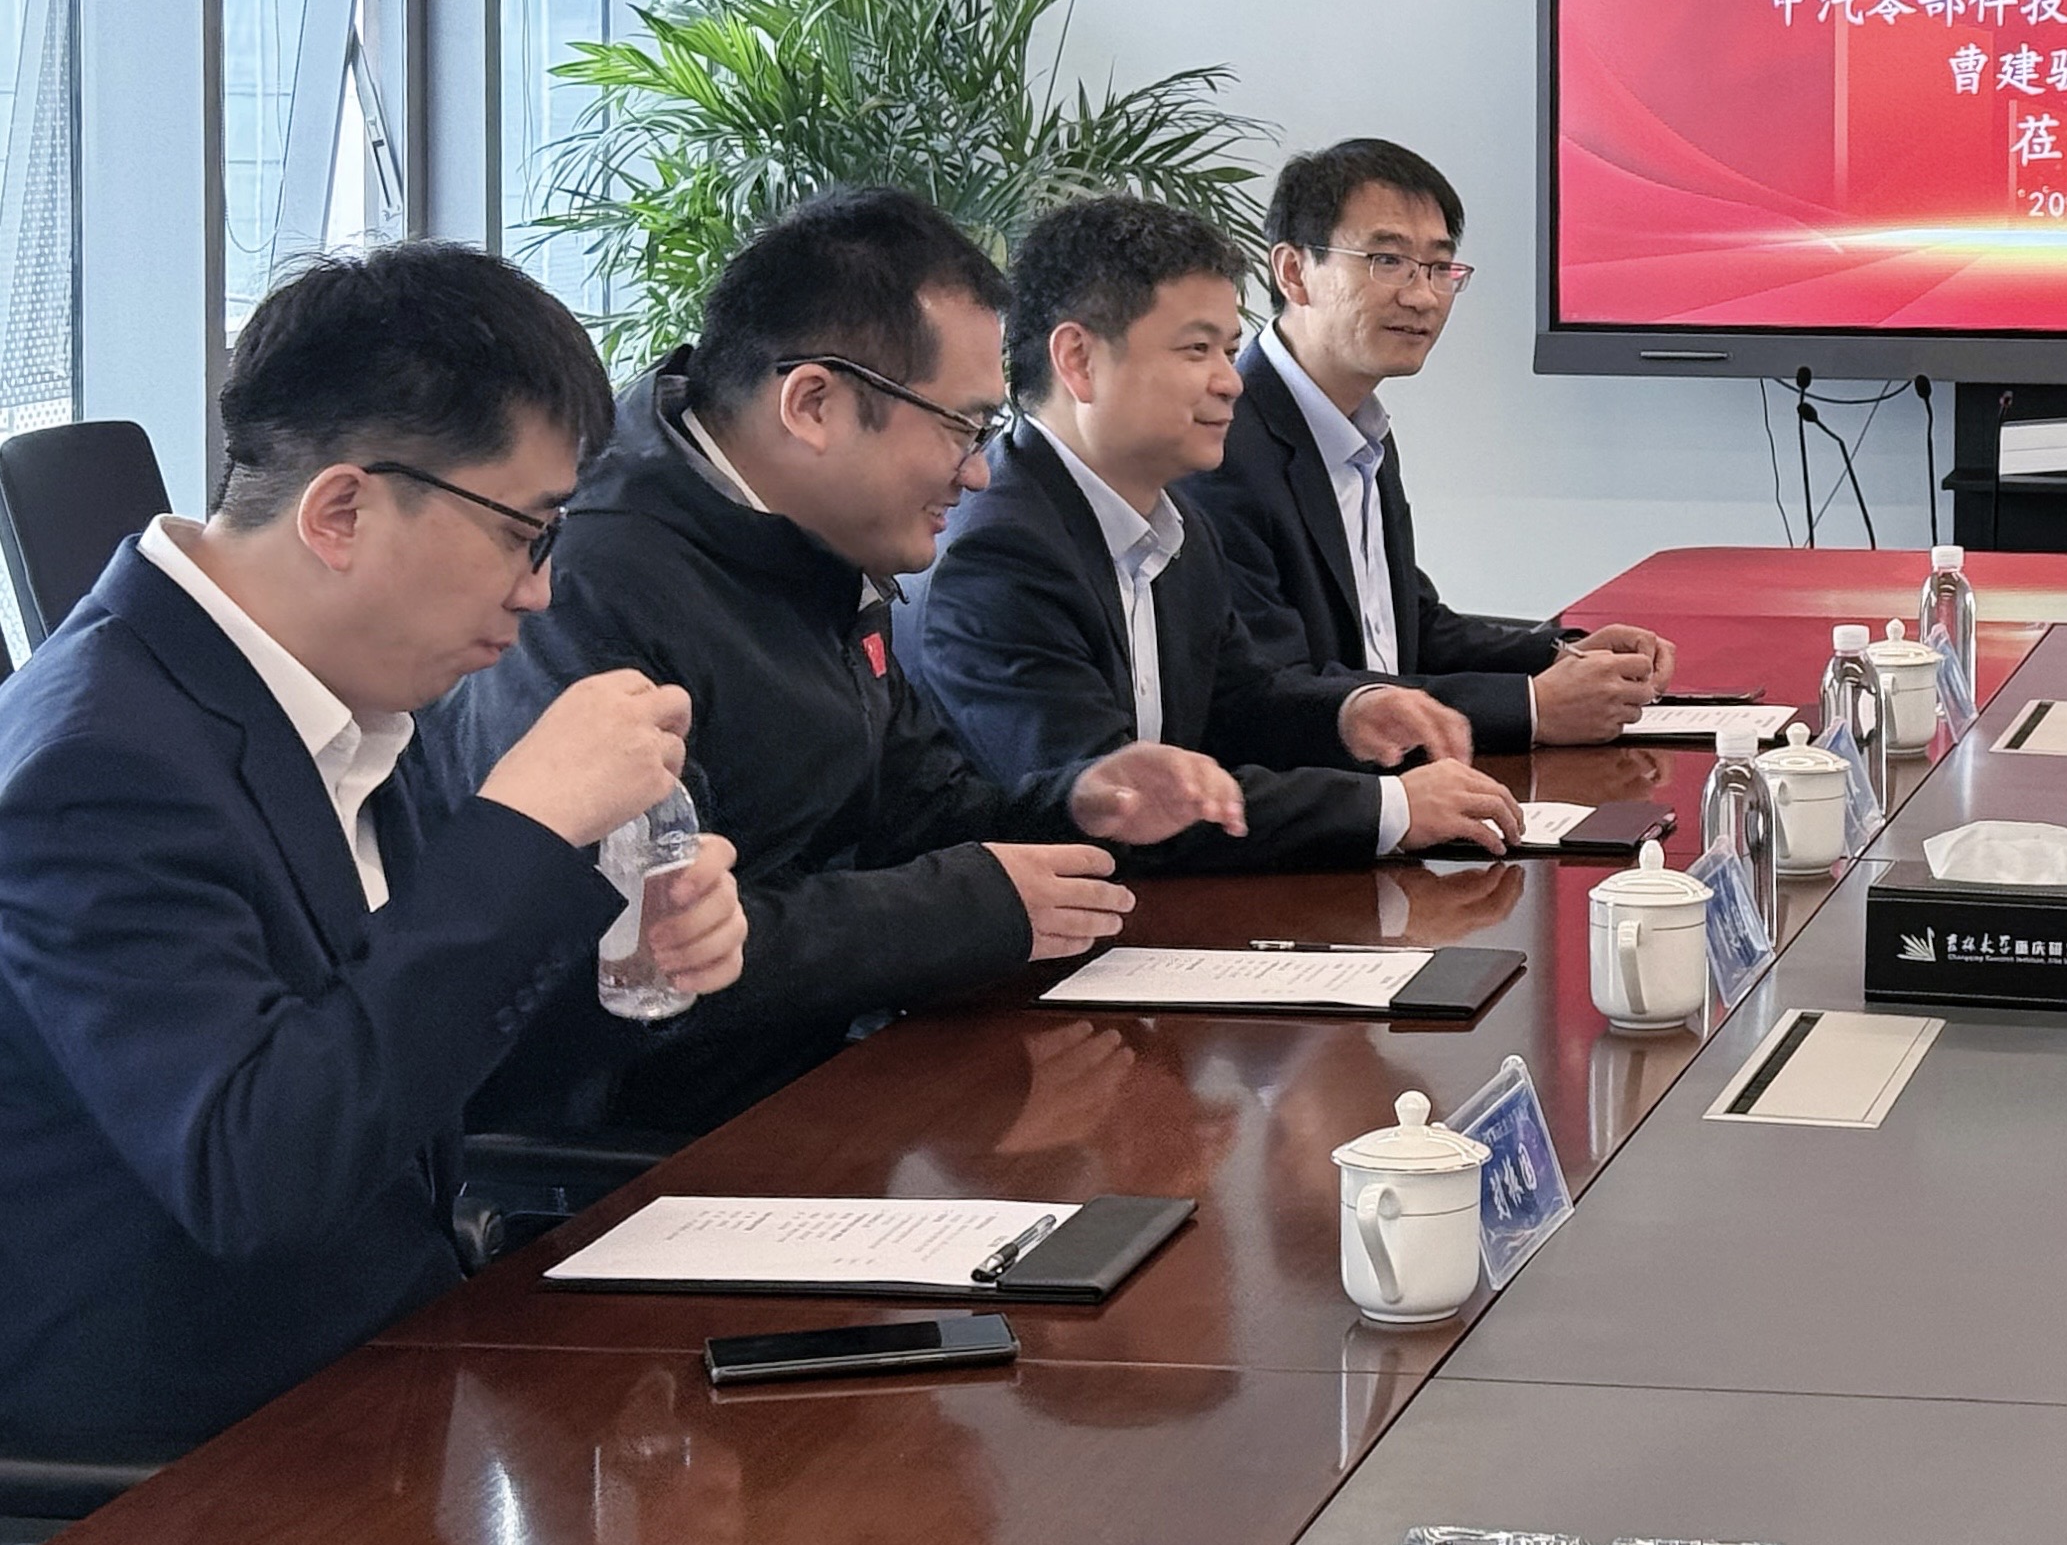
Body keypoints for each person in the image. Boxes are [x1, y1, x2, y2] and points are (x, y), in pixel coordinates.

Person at [0, 244, 747, 1466]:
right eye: (523, 531)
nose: (541, 592)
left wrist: (627, 961)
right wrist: (519, 830)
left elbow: (405, 1073)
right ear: (341, 510)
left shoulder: (334, 696)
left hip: (384, 1383)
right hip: (191, 1469)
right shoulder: (94, 763)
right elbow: (253, 1167)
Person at [434, 187, 1245, 1139]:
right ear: (813, 403)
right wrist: (966, 907)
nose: (978, 472)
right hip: (655, 1145)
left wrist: (1080, 800)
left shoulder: (813, 545)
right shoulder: (593, 583)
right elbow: (652, 955)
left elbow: (916, 805)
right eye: (962, 428)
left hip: (835, 1082)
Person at [900, 195, 1524, 864]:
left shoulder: (1176, 524)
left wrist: (1350, 712)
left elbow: (1240, 702)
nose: (1231, 383)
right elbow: (1117, 805)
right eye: (1198, 350)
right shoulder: (998, 553)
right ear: (1078, 360)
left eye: (1230, 351)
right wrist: (1388, 809)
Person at [1186, 139, 1675, 752]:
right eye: (1388, 261)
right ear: (1294, 272)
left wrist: (1561, 653)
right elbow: (1273, 691)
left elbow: (1409, 630)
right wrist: (1531, 707)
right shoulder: (1220, 446)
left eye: (1439, 267)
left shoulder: (1359, 426)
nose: (1422, 296)